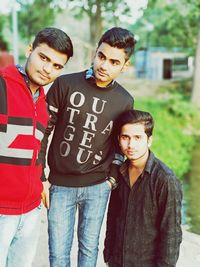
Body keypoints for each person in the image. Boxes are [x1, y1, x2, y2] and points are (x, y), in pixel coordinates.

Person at [39, 27, 136, 267]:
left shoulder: (125, 101)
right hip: (60, 186)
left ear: (124, 66)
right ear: (96, 52)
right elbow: (41, 132)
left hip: (97, 187)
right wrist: (41, 177)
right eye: (102, 56)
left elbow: (119, 147)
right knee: (58, 254)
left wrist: (111, 180)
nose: (105, 65)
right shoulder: (64, 84)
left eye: (114, 62)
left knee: (88, 249)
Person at [0, 27, 73, 267]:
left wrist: (40, 180)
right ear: (29, 50)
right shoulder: (2, 85)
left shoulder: (42, 102)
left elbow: (36, 149)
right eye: (43, 58)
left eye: (57, 65)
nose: (47, 69)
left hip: (30, 212)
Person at [104, 109, 182, 267]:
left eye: (138, 138)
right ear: (119, 139)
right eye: (126, 137)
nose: (131, 144)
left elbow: (171, 234)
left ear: (149, 140)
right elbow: (113, 217)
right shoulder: (119, 172)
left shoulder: (165, 179)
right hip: (117, 262)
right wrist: (108, 255)